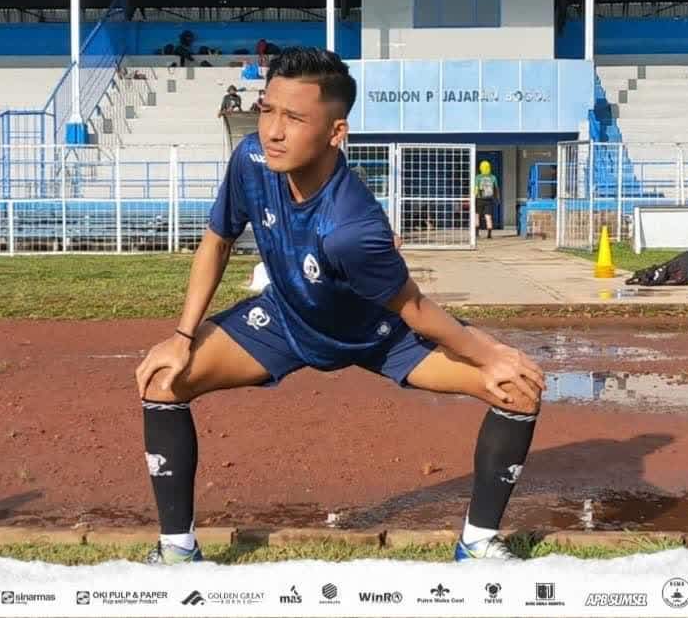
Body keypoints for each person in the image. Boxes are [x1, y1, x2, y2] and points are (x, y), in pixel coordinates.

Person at [135, 47, 545, 565]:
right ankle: (176, 551)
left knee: (517, 391)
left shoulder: (351, 228)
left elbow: (414, 308)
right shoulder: (250, 160)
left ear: (336, 133)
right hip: (286, 319)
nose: (273, 131)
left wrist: (490, 354)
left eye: (295, 118)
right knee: (163, 381)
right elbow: (217, 239)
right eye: (268, 109)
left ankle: (478, 543)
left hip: (382, 335)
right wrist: (182, 335)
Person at [474, 160, 500, 239]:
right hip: (489, 199)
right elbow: (496, 189)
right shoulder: (493, 177)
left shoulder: (478, 177)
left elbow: (476, 189)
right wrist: (498, 199)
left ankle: (476, 233)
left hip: (479, 199)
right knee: (488, 217)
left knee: (477, 216)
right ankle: (489, 234)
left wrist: (473, 197)